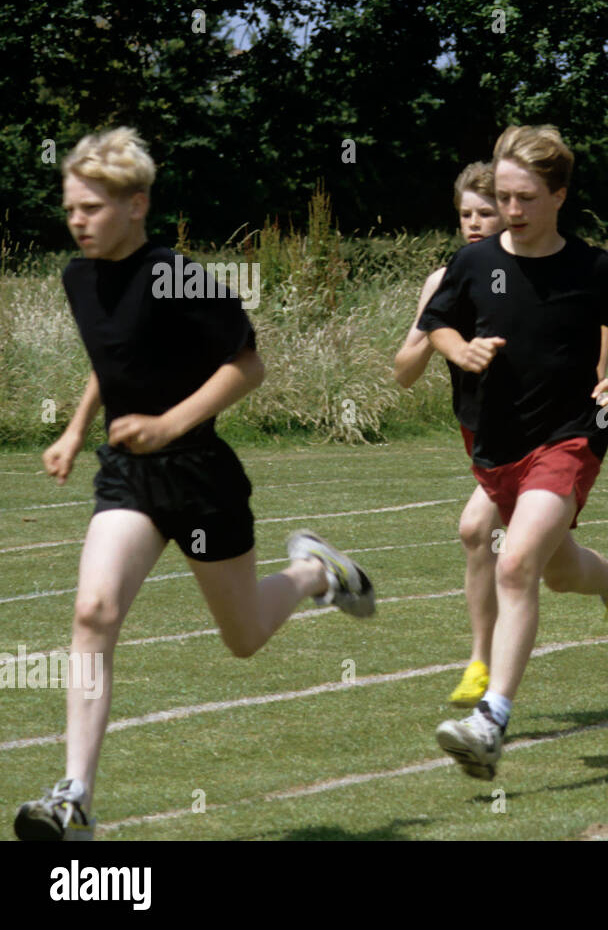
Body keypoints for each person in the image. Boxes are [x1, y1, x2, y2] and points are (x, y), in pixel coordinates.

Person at [15, 128, 374, 841]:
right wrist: (75, 429)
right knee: (93, 613)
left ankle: (313, 573)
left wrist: (168, 425)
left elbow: (247, 366)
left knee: (242, 637)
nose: (77, 220)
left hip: (199, 478)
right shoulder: (77, 277)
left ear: (137, 204)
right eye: (71, 207)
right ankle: (75, 796)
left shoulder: (176, 275)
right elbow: (110, 359)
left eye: (91, 206)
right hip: (127, 477)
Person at [419, 125, 608, 780]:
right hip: (498, 446)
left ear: (558, 195)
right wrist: (458, 350)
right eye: (503, 197)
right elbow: (435, 322)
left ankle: (491, 720)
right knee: (557, 572)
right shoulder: (474, 264)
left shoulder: (592, 268)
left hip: (571, 435)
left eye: (525, 197)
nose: (512, 211)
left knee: (516, 562)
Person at [394, 162, 505, 706]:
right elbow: (404, 371)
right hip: (478, 432)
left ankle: (481, 664)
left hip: (534, 431)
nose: (475, 222)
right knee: (556, 563)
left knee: (475, 531)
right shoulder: (444, 279)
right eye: (466, 213)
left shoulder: (533, 272)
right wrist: (431, 336)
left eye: (486, 211)